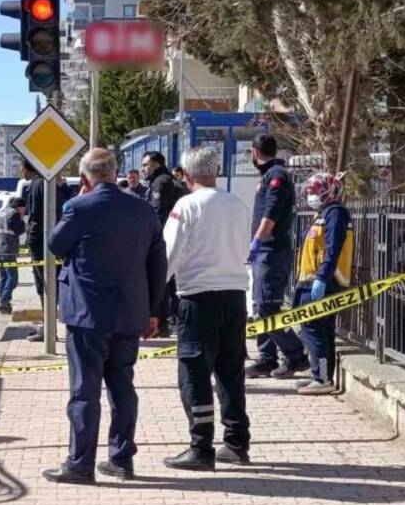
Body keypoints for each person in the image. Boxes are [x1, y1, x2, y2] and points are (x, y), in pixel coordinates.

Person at [42, 149, 167, 484]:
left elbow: (55, 244)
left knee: (85, 391)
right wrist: (154, 311)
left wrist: (78, 202)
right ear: (115, 174)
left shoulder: (80, 207)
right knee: (123, 387)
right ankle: (121, 460)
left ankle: (80, 464)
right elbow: (158, 264)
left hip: (87, 317)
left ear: (85, 178)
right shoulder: (143, 210)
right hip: (130, 313)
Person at [160, 147, 253, 470]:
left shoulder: (186, 205)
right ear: (216, 171)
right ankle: (237, 441)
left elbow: (168, 255)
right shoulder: (237, 205)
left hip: (198, 297)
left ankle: (201, 446)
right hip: (235, 295)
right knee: (231, 371)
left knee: (194, 372)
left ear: (185, 175)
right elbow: (245, 248)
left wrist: (153, 294)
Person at [245, 133, 310, 379]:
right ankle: (266, 358)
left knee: (267, 307)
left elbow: (271, 212)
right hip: (265, 250)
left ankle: (296, 356)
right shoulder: (269, 175)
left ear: (254, 151)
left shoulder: (276, 176)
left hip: (272, 250)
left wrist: (258, 240)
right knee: (260, 304)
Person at [294, 172, 354, 395]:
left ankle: (321, 378)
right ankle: (321, 375)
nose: (310, 196)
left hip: (324, 282)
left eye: (313, 192)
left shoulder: (335, 213)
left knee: (314, 329)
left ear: (327, 192)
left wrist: (321, 277)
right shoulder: (324, 213)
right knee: (322, 330)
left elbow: (333, 248)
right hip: (313, 282)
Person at [21, 161, 69, 342]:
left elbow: (35, 215)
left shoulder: (38, 184)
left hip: (39, 240)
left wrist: (31, 237)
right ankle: (47, 326)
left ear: (28, 168)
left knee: (44, 285)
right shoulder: (47, 183)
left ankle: (49, 329)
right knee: (48, 284)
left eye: (22, 168)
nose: (21, 172)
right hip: (47, 237)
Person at [142, 151, 184, 338]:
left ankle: (163, 324)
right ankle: (171, 322)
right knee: (170, 284)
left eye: (147, 165)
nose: (144, 169)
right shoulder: (165, 180)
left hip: (162, 241)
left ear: (157, 164)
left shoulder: (161, 182)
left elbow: (158, 214)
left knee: (161, 283)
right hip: (170, 239)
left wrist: (152, 240)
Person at [0, 197, 26, 313]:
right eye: (23, 208)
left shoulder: (1, 212)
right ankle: (4, 301)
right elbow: (19, 230)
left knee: (3, 277)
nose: (24, 210)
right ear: (19, 207)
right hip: (8, 249)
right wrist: (22, 218)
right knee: (12, 278)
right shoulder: (13, 214)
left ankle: (3, 302)